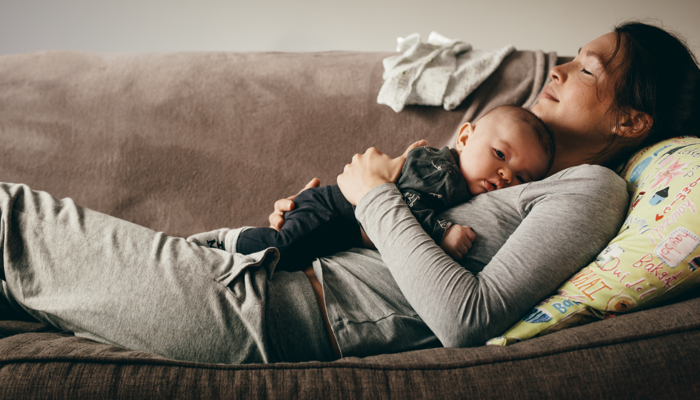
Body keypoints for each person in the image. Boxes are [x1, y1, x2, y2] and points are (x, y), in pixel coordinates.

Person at [1, 22, 699, 365]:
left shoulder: (591, 191)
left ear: (629, 121)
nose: (561, 68)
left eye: (587, 68)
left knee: (10, 215)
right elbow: (396, 241)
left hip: (264, 313)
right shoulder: (513, 168)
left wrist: (371, 198)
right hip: (256, 274)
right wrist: (323, 217)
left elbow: (466, 318)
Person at [187, 105, 554, 268]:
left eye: (522, 177)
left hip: (345, 224)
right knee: (286, 249)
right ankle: (222, 242)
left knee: (292, 261)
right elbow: (406, 203)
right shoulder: (442, 171)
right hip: (335, 210)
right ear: (464, 135)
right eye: (500, 154)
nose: (506, 176)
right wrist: (443, 231)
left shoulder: (459, 183)